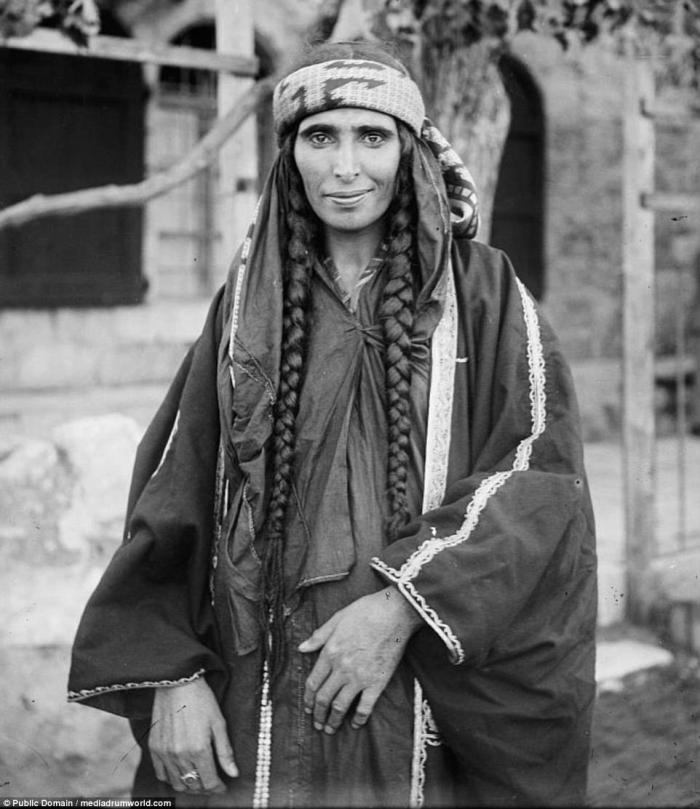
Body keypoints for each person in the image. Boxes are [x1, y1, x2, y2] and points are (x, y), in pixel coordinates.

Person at [68, 40, 597, 808]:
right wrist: (173, 673)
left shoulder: (484, 299)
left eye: (371, 137)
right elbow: (175, 485)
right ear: (291, 157)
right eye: (322, 137)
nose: (346, 166)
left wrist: (400, 605)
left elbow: (539, 473)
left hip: (414, 698)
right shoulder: (248, 300)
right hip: (256, 692)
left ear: (410, 152)